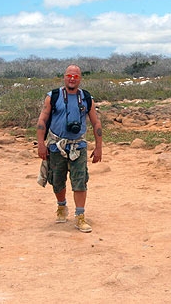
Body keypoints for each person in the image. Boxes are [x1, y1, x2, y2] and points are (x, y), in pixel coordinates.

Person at [37, 64, 102, 233]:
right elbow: (42, 121)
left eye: (76, 76)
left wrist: (98, 147)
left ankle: (80, 216)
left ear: (80, 79)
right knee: (57, 181)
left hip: (78, 146)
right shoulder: (53, 96)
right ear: (64, 77)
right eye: (69, 76)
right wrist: (41, 144)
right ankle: (61, 206)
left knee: (80, 180)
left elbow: (96, 123)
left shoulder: (86, 98)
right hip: (56, 145)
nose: (72, 79)